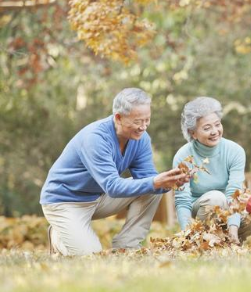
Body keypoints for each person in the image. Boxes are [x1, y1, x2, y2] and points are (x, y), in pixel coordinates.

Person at [40, 88, 190, 256]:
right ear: (118, 117)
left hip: (98, 197)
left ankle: (127, 245)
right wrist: (155, 181)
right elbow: (112, 186)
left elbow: (148, 179)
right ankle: (58, 236)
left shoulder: (141, 139)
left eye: (147, 120)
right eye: (138, 121)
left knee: (152, 188)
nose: (143, 127)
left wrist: (168, 182)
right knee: (91, 255)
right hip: (64, 201)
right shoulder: (95, 138)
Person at [173, 97, 251, 244]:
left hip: (227, 209)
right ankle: (200, 240)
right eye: (207, 128)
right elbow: (182, 200)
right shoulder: (183, 157)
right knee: (216, 198)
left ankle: (228, 242)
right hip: (200, 212)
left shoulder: (235, 151)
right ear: (193, 133)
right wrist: (187, 234)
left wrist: (233, 228)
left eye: (217, 125)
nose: (215, 131)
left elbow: (234, 192)